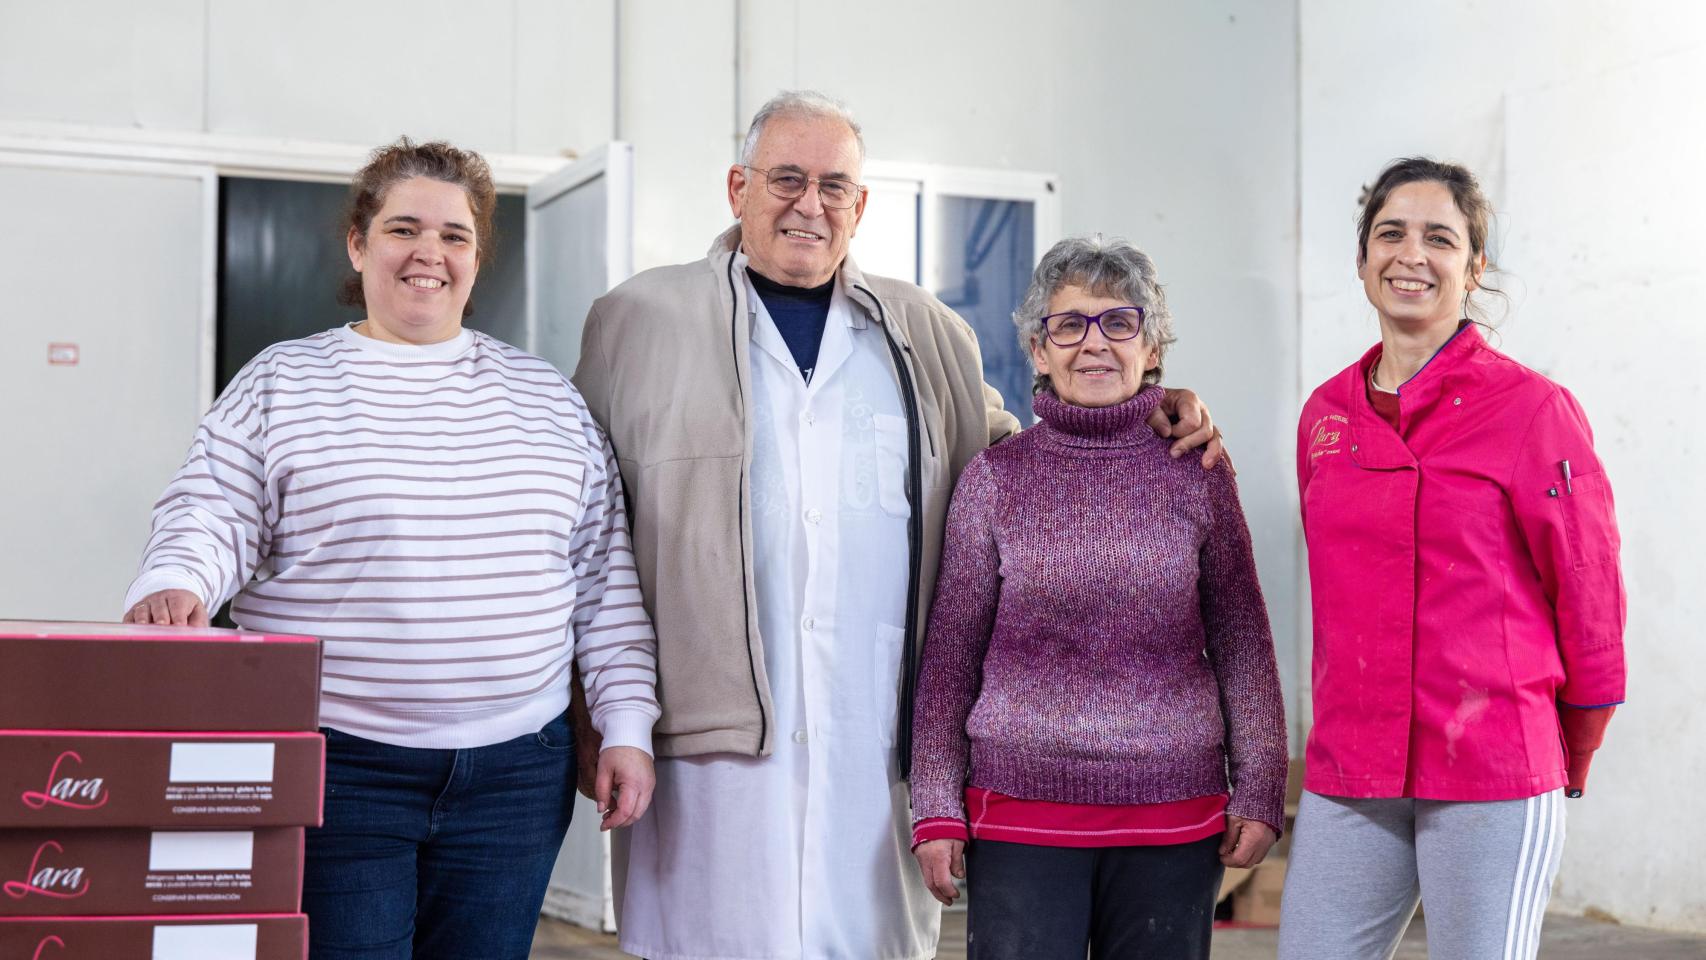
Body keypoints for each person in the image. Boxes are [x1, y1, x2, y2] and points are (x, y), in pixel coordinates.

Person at [572, 90, 1228, 960]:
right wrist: (595, 720)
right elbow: (584, 533)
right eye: (786, 180)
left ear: (861, 205)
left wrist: (1151, 406)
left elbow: (1029, 463)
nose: (811, 204)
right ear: (737, 187)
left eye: (835, 186)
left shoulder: (928, 331)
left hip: (873, 737)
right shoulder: (639, 320)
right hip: (707, 750)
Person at [121, 137, 659, 960]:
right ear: (358, 243)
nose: (428, 255)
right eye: (404, 228)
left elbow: (602, 582)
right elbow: (213, 507)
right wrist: (179, 577)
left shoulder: (547, 398)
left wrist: (624, 722)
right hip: (339, 763)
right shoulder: (285, 381)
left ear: (476, 259)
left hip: (517, 775)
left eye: (454, 235)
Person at [1277, 158, 1626, 960]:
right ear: (1361, 258)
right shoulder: (1325, 416)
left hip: (1494, 763)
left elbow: (1589, 591)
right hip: (1353, 765)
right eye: (1390, 233)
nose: (1411, 255)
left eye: (1440, 238)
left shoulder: (1533, 409)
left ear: (1474, 268)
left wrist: (1572, 746)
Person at [907, 236, 1287, 960]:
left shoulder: (1198, 472)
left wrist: (1261, 784)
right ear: (1038, 349)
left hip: (1172, 813)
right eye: (1069, 323)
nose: (1094, 344)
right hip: (1019, 814)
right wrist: (935, 806)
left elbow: (1243, 640)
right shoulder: (994, 480)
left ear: (1152, 347)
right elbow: (950, 656)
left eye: (1120, 322)